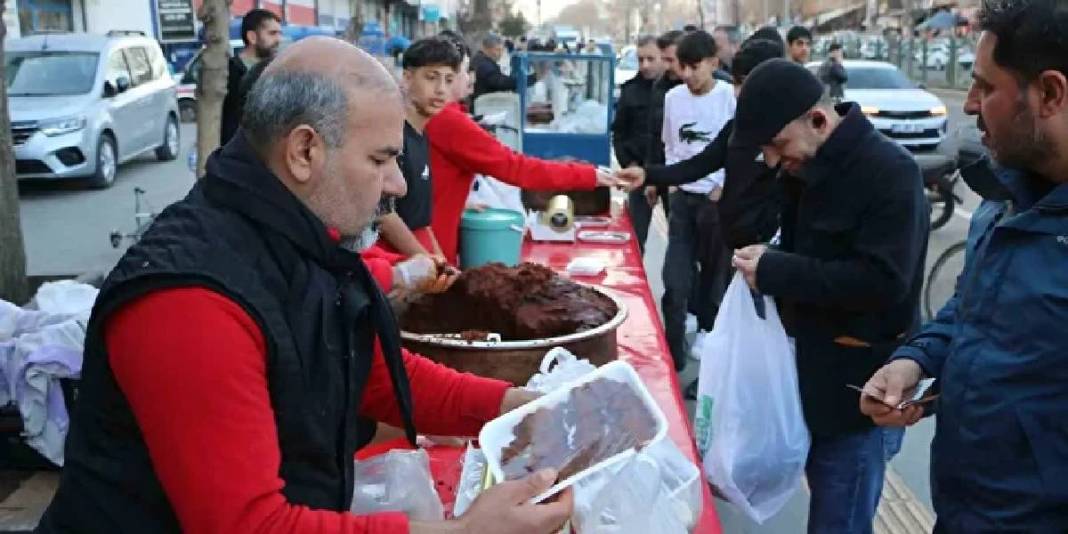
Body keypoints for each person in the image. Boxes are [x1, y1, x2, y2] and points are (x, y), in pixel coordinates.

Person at [36, 37, 574, 534]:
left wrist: (515, 406)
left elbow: (371, 371)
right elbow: (250, 525)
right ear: (304, 151)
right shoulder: (191, 300)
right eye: (381, 159)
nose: (398, 185)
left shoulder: (305, 238)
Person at [860, 0, 1068, 530]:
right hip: (963, 510)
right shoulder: (1004, 198)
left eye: (986, 86)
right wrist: (917, 362)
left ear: (1049, 93)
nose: (970, 105)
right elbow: (973, 310)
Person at [728, 58, 927, 534]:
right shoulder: (801, 169)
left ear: (819, 120)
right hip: (806, 377)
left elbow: (882, 282)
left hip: (857, 389)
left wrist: (778, 271)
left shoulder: (889, 173)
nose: (775, 160)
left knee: (840, 519)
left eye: (778, 146)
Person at [424, 31, 616, 265]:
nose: (470, 78)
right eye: (465, 70)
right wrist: (589, 175)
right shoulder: (449, 121)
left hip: (433, 246)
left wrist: (459, 200)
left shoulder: (441, 118)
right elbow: (516, 168)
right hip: (433, 252)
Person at [615, 37, 786, 252]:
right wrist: (648, 175)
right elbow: (698, 164)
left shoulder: (803, 133)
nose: (738, 92)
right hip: (743, 240)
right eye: (736, 83)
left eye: (743, 83)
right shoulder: (739, 127)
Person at [659, 30, 736, 371]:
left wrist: (723, 185)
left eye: (695, 67)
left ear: (713, 63)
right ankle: (671, 353)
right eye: (683, 67)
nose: (687, 75)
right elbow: (670, 143)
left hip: (715, 201)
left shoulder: (728, 98)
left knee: (715, 274)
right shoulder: (673, 98)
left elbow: (739, 150)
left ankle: (708, 329)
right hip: (682, 202)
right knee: (675, 279)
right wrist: (672, 184)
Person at [378, 37, 460, 258]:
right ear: (407, 77)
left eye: (449, 80)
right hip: (393, 262)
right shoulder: (391, 135)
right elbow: (383, 214)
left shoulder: (421, 135)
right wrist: (426, 261)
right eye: (431, 78)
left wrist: (440, 261)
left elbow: (420, 221)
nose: (441, 90)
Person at [612, 35, 663, 253]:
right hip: (639, 172)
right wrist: (628, 163)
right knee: (633, 241)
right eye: (641, 59)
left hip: (673, 174)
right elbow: (619, 133)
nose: (645, 65)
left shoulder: (678, 90)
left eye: (651, 59)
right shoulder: (630, 90)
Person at [221, 9, 282, 145]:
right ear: (252, 37)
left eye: (279, 33)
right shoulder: (230, 73)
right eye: (272, 33)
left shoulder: (278, 70)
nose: (279, 40)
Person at [644, 30, 686, 222]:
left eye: (671, 60)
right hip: (668, 178)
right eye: (664, 59)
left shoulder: (718, 88)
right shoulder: (660, 87)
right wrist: (652, 179)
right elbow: (655, 135)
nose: (667, 66)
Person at [471, 33, 531, 101]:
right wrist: (524, 80)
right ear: (486, 49)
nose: (500, 53)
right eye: (497, 50)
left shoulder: (481, 60)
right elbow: (500, 82)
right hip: (484, 106)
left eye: (502, 50)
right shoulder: (483, 64)